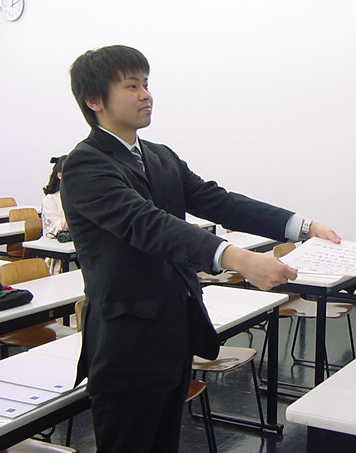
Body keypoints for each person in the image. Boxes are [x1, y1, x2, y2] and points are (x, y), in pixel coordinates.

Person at [61, 45, 340, 453]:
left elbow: (219, 202)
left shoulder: (159, 156)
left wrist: (302, 226)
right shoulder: (85, 165)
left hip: (173, 332)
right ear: (93, 100)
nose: (146, 95)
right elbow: (148, 224)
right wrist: (237, 258)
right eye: (132, 86)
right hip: (126, 344)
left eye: (146, 84)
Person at [42, 155, 69, 274]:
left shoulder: (81, 194)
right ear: (60, 175)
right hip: (57, 250)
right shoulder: (50, 199)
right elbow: (54, 228)